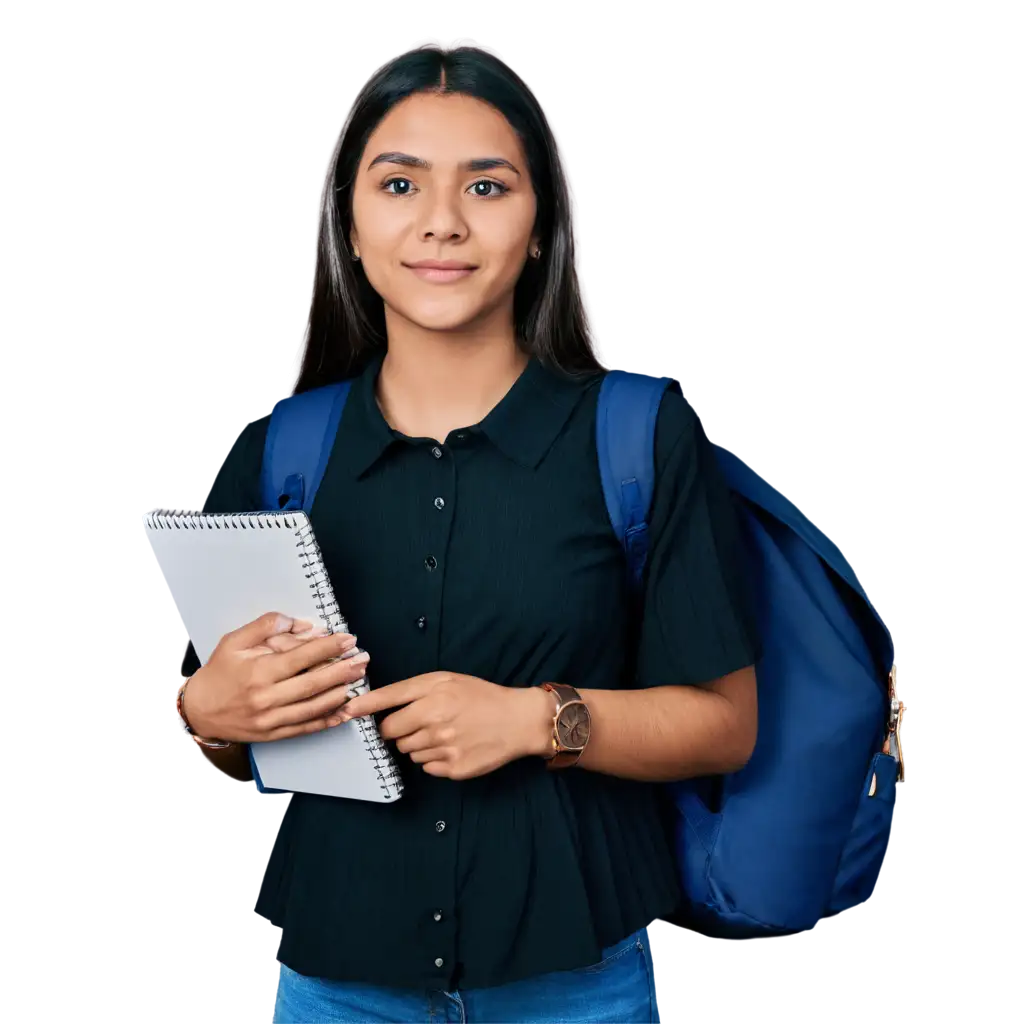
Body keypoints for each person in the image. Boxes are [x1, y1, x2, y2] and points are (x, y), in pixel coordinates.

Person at [171, 43, 760, 1024]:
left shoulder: (636, 437)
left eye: (486, 186)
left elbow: (725, 724)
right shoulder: (280, 452)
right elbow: (228, 737)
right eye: (398, 183)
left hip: (576, 985)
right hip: (335, 988)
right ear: (350, 228)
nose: (441, 222)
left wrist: (536, 720)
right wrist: (204, 708)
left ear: (537, 231)